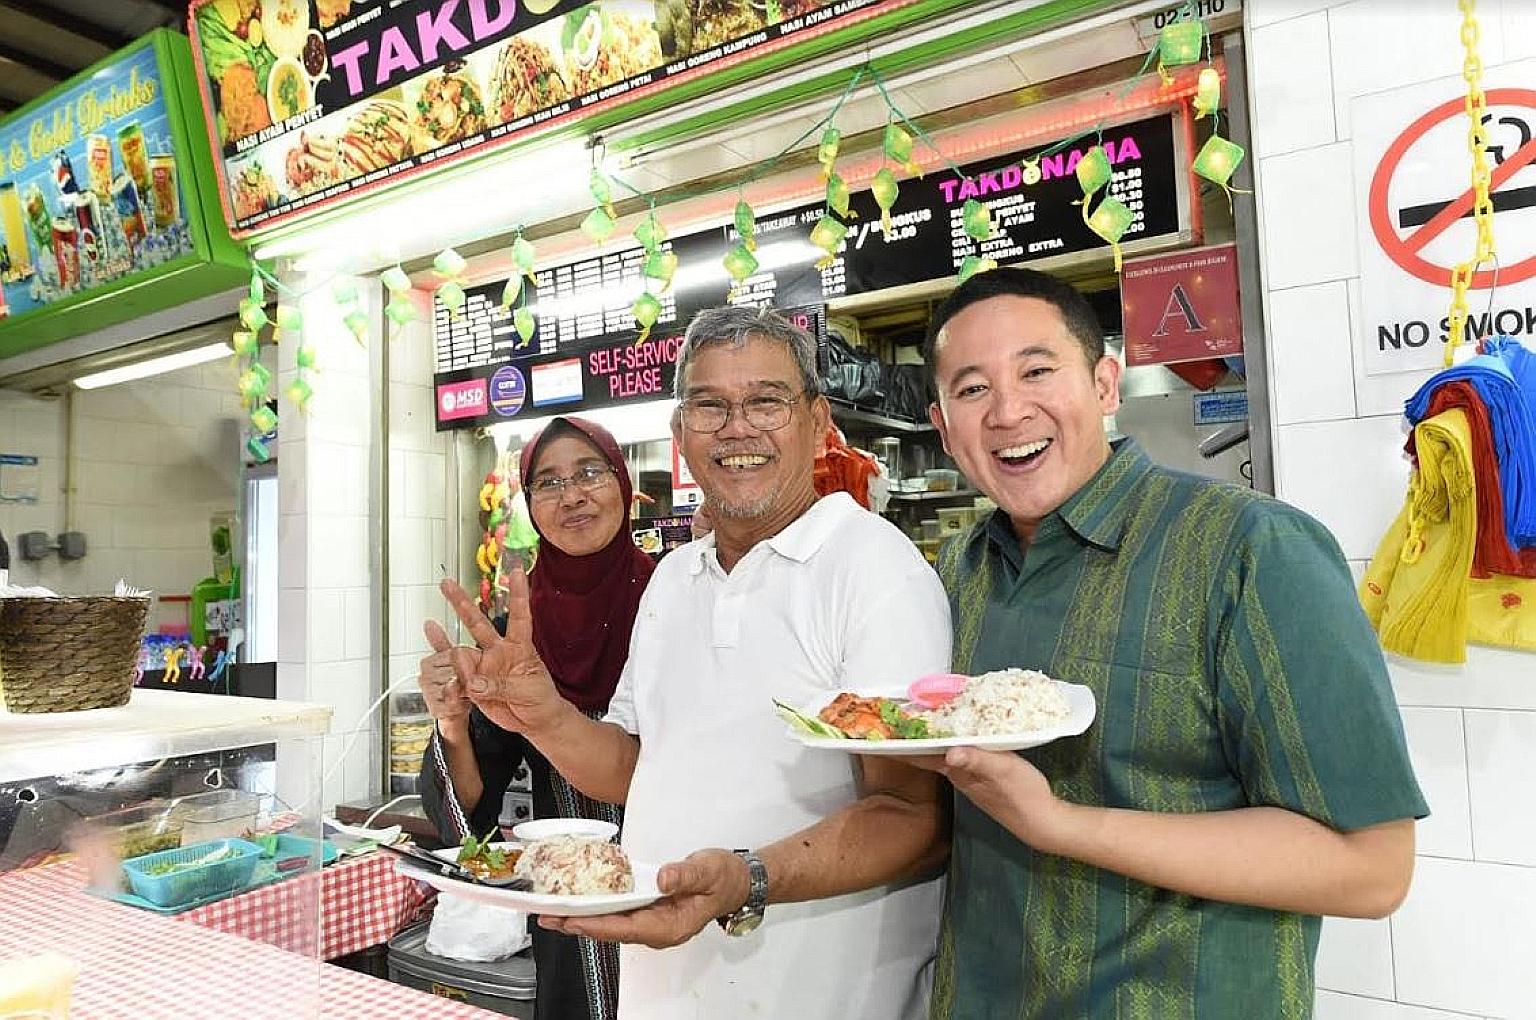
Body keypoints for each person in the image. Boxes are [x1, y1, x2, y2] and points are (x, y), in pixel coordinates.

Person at [918, 267, 1428, 1019]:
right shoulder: (955, 571)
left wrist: (1061, 824)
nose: (1007, 411)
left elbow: (1372, 869)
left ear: (1104, 384)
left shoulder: (1254, 550)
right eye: (971, 390)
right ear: (942, 426)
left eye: (1036, 370)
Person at [432, 305, 952, 1020]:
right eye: (709, 407)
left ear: (817, 420)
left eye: (766, 401)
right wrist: (544, 716)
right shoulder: (676, 578)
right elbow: (633, 767)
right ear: (680, 435)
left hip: (821, 995)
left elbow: (913, 818)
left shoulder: (871, 567)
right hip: (668, 988)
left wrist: (747, 879)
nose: (737, 429)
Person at [418, 416, 654, 1020]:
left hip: (684, 876)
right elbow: (470, 820)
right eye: (547, 483)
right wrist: (451, 722)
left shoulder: (679, 599)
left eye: (589, 473)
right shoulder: (517, 639)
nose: (571, 495)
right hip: (571, 905)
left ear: (622, 484)